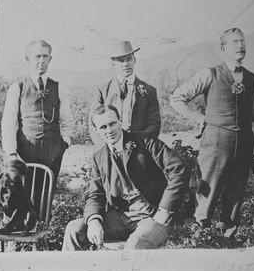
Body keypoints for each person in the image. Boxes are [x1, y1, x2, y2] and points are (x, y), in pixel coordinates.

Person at [170, 28, 254, 238]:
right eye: (234, 42)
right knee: (208, 191)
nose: (241, 45)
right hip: (215, 143)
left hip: (244, 145)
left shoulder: (252, 79)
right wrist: (200, 119)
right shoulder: (210, 74)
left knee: (236, 192)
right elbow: (176, 98)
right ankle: (201, 235)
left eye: (243, 41)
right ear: (223, 49)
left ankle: (228, 236)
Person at [62, 105, 190, 251]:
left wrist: (165, 209)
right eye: (103, 127)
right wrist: (94, 220)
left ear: (120, 121)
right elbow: (95, 194)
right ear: (96, 131)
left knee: (135, 246)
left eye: (112, 123)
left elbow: (179, 169)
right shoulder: (99, 157)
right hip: (121, 217)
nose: (109, 130)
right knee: (74, 230)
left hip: (153, 216)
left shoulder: (145, 141)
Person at [1, 40, 73, 192]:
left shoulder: (59, 87)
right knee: (23, 194)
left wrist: (65, 142)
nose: (41, 61)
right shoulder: (17, 88)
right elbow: (8, 123)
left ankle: (44, 217)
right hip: (25, 151)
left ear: (50, 59)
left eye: (45, 56)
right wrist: (12, 153)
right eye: (37, 56)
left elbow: (66, 118)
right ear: (27, 59)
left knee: (47, 194)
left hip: (53, 152)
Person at [89, 41, 161, 146]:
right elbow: (93, 124)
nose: (126, 64)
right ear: (113, 63)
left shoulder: (149, 91)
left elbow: (154, 125)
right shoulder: (102, 90)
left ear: (134, 60)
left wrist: (141, 145)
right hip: (110, 148)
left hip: (140, 147)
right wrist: (106, 148)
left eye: (129, 59)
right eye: (121, 61)